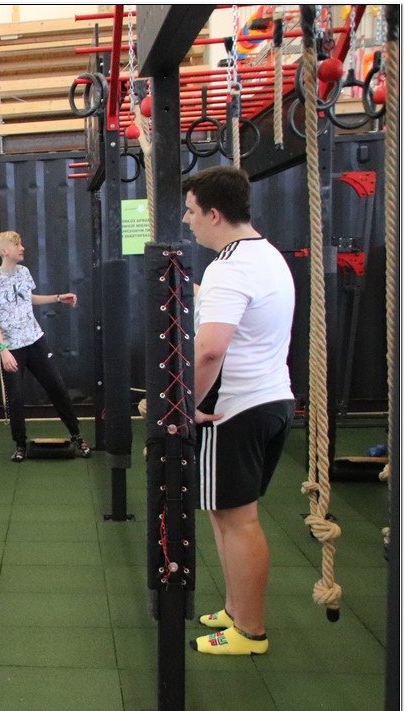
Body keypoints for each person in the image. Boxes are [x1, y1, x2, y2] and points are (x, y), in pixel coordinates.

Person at [182, 165, 295, 656]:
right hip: (271, 400)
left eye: (191, 211)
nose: (187, 220)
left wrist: (185, 408)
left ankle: (249, 631)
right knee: (227, 515)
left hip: (235, 410)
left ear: (214, 214)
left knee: (238, 521)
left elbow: (209, 350)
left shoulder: (228, 268)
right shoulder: (265, 255)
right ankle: (234, 610)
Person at [0, 230, 91, 462]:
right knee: (15, 397)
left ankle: (77, 436)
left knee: (57, 387)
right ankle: (20, 445)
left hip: (35, 340)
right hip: (11, 347)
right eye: (17, 245)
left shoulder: (24, 272)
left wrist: (57, 298)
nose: (22, 248)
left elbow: (28, 298)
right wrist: (3, 350)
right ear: (5, 251)